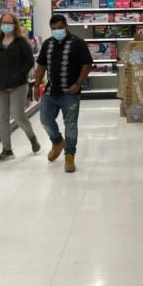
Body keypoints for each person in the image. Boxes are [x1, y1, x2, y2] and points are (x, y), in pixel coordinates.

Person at [35, 14, 92, 173]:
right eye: (53, 29)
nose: (57, 31)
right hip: (51, 91)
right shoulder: (47, 44)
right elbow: (41, 66)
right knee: (45, 120)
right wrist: (36, 85)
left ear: (66, 26)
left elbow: (86, 65)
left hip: (71, 92)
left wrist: (78, 84)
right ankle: (57, 141)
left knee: (71, 124)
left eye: (59, 28)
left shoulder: (78, 43)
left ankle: (70, 155)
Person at [0, 12, 41, 163]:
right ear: (0, 24)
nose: (6, 25)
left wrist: (20, 74)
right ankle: (7, 150)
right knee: (3, 118)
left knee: (18, 116)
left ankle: (32, 138)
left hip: (18, 85)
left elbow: (30, 61)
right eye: (4, 22)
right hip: (0, 85)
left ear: (15, 24)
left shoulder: (21, 42)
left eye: (9, 23)